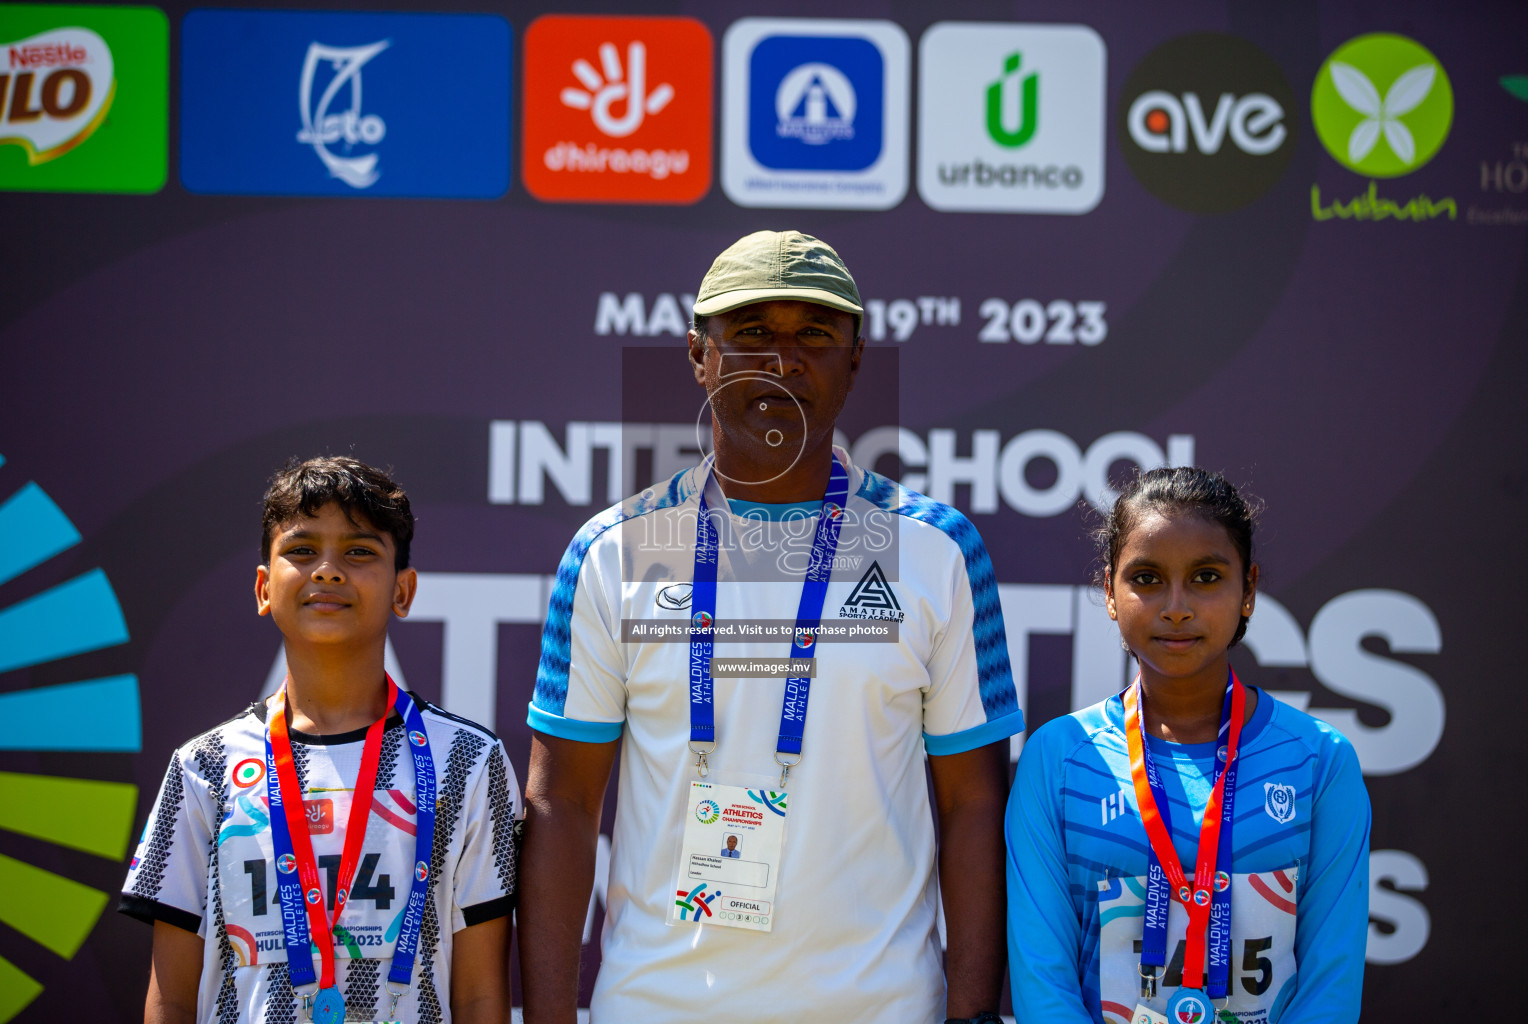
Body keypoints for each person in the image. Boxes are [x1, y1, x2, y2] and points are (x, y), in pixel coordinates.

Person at [518, 230, 1021, 1023]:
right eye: (751, 333)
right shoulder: (615, 550)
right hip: (655, 1007)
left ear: (855, 360)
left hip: (883, 1009)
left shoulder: (935, 548)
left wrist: (969, 1015)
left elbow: (973, 806)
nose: (782, 362)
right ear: (699, 354)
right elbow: (563, 805)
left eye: (814, 335)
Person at [120, 457, 520, 1024]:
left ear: (403, 591)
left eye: (359, 552)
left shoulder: (470, 761)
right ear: (264, 588)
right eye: (302, 550)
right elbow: (173, 997)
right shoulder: (202, 766)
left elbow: (481, 996)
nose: (328, 571)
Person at [1006, 467, 1370, 1024]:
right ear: (1108, 592)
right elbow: (1042, 981)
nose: (1176, 606)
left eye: (1205, 577)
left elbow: (1331, 986)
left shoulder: (1321, 761)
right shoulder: (1057, 759)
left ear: (1248, 589)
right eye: (1147, 579)